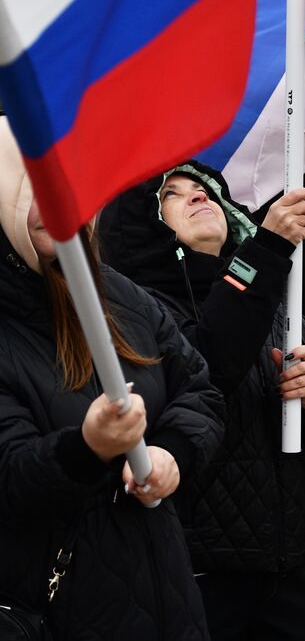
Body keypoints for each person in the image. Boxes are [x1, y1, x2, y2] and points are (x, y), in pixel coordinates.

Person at [98, 161, 305, 641]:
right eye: (172, 193)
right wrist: (265, 250)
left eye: (205, 189)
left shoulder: (281, 314)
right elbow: (208, 369)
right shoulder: (134, 318)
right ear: (141, 224)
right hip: (196, 579)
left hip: (293, 573)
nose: (199, 196)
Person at [0, 121, 225, 640]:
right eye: (36, 189)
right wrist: (87, 449)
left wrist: (171, 453)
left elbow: (199, 390)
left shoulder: (123, 296)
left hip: (164, 596)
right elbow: (11, 476)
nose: (62, 206)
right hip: (56, 611)